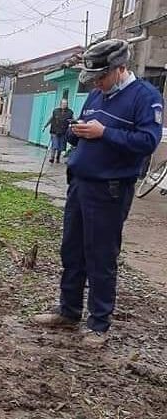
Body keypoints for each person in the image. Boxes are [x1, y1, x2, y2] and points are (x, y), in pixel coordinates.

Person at [32, 39, 163, 347]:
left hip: (111, 189)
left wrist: (105, 133)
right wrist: (76, 132)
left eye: (102, 77)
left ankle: (99, 324)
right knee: (72, 250)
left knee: (100, 255)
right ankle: (68, 310)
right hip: (80, 183)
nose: (98, 84)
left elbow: (147, 141)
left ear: (120, 69)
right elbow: (87, 134)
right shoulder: (96, 94)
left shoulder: (145, 97)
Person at [43, 99, 74, 163]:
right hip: (54, 131)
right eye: (63, 103)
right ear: (60, 104)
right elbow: (51, 119)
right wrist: (45, 126)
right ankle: (52, 158)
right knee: (55, 144)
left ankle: (58, 157)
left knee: (60, 146)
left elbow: (73, 120)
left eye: (65, 104)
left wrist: (73, 125)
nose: (64, 105)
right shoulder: (55, 111)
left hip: (63, 132)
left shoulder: (70, 112)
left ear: (67, 104)